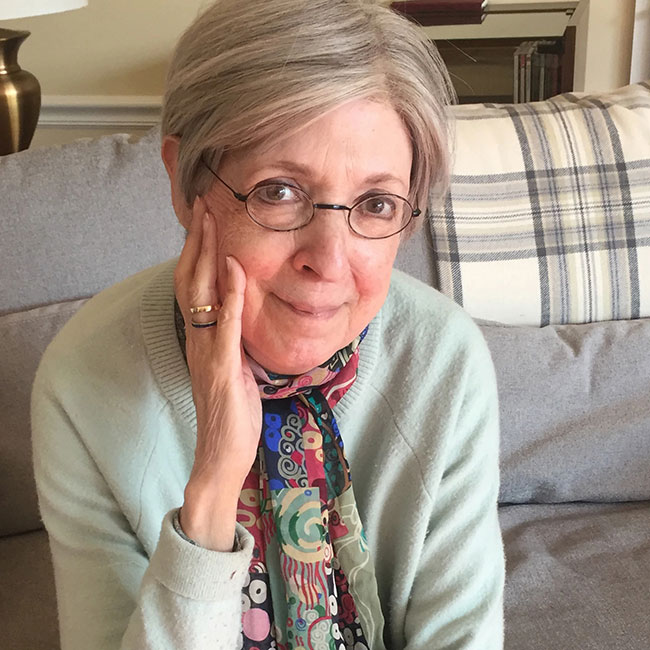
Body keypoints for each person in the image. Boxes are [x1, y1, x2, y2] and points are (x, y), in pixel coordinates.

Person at [31, 0, 505, 648]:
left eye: (375, 203)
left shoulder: (446, 364)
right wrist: (213, 488)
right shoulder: (83, 380)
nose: (329, 261)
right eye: (279, 191)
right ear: (184, 182)